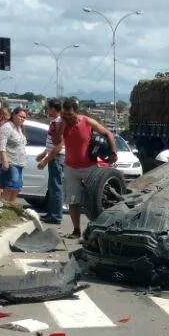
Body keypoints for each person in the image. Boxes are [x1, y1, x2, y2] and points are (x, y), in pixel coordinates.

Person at [44, 98, 117, 238]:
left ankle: (97, 230)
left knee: (95, 199)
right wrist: (62, 125)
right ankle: (76, 230)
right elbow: (55, 141)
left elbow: (108, 133)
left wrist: (113, 152)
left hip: (90, 167)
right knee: (73, 200)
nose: (67, 117)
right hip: (71, 167)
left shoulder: (87, 121)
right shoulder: (62, 124)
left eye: (70, 115)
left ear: (77, 112)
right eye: (65, 114)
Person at [37, 99, 65, 224]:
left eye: (48, 108)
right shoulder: (55, 122)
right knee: (52, 187)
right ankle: (51, 213)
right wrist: (44, 153)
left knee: (56, 187)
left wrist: (45, 160)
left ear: (54, 109)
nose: (47, 110)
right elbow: (51, 143)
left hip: (57, 157)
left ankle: (56, 216)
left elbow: (59, 146)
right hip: (54, 156)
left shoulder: (59, 122)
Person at [0, 106, 30, 207]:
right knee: (10, 186)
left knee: (17, 186)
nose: (22, 119)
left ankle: (11, 205)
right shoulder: (6, 127)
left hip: (19, 162)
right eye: (21, 116)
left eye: (24, 118)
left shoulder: (19, 128)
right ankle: (3, 206)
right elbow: (1, 145)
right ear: (14, 114)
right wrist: (5, 160)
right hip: (10, 162)